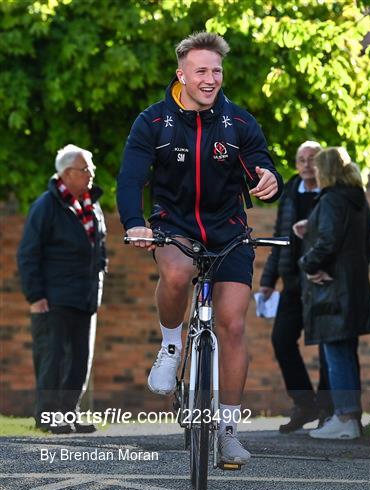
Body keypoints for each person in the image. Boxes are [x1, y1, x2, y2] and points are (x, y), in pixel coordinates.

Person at [117, 31, 283, 464]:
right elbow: (131, 178)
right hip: (175, 226)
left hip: (228, 231)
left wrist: (270, 179)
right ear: (182, 74)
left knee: (232, 325)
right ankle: (172, 346)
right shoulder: (152, 122)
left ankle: (228, 431)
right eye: (202, 70)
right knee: (175, 272)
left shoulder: (238, 122)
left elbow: (261, 165)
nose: (211, 79)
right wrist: (135, 224)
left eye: (217, 70)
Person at [17, 144, 107, 434]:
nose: (91, 174)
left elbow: (99, 251)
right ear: (67, 173)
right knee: (52, 359)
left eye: (90, 169)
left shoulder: (91, 206)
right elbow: (28, 254)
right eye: (85, 169)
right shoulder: (45, 206)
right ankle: (47, 416)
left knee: (80, 360)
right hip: (53, 299)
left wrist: (98, 286)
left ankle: (69, 413)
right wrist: (35, 296)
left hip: (85, 297)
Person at [294, 147, 370, 439]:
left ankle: (344, 418)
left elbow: (328, 243)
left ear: (326, 170)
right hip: (352, 286)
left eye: (317, 167)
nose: (313, 172)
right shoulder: (356, 199)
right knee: (346, 353)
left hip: (332, 290)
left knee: (336, 354)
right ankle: (350, 416)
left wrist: (307, 263)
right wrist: (311, 226)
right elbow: (350, 239)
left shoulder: (331, 200)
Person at [259, 141, 334, 433]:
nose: (305, 164)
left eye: (312, 159)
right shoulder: (291, 191)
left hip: (323, 282)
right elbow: (280, 237)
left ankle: (329, 410)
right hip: (292, 282)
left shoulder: (331, 192)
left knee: (327, 346)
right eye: (301, 159)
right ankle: (305, 404)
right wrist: (268, 281)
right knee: (281, 339)